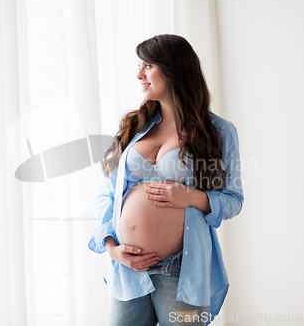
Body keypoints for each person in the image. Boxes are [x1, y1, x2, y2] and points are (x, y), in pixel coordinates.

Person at [88, 34, 243, 326]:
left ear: (173, 69)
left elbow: (234, 200)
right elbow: (106, 196)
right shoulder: (135, 127)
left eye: (147, 66)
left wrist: (193, 197)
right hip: (129, 269)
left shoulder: (218, 132)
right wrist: (111, 248)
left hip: (180, 269)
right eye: (139, 66)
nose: (139, 75)